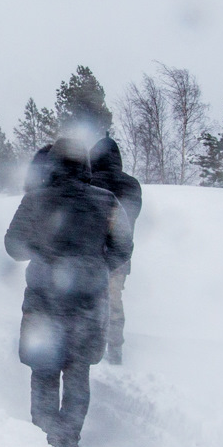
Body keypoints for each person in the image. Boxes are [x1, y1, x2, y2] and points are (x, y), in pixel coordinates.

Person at [4, 137, 134, 447]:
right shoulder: (107, 202)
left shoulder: (35, 200)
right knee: (78, 373)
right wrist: (98, 266)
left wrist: (42, 253)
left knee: (44, 371)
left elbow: (12, 245)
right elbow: (124, 247)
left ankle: (47, 442)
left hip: (44, 303)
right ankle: (68, 440)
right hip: (89, 304)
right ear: (86, 166)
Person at [88, 134, 142, 365]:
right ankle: (115, 350)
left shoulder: (89, 182)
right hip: (120, 255)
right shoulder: (132, 184)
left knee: (88, 299)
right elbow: (132, 216)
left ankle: (91, 344)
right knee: (113, 301)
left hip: (91, 253)